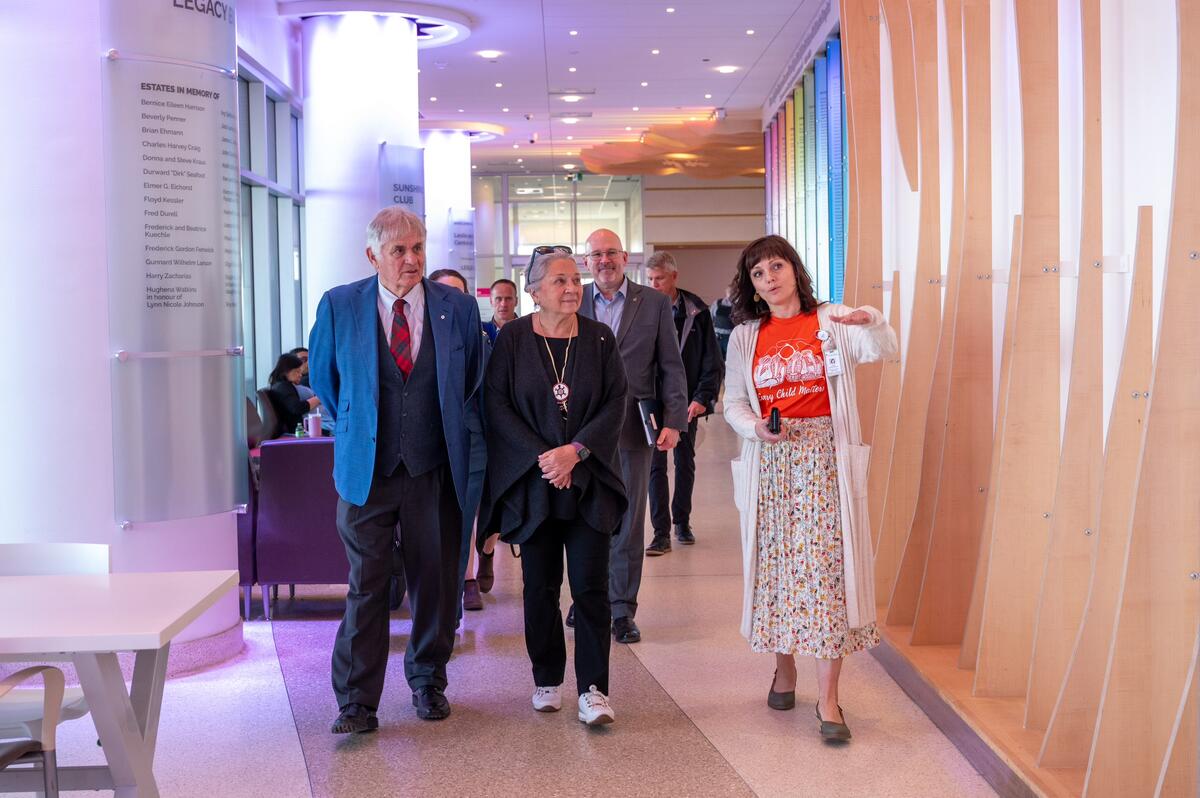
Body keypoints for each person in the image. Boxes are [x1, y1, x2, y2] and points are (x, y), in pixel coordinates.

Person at [309, 206, 484, 733]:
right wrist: (363, 429)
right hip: (368, 472)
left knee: (435, 579)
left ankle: (428, 680)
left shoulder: (457, 308)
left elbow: (471, 380)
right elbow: (327, 380)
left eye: (417, 249)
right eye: (398, 251)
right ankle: (357, 702)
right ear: (373, 256)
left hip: (435, 467)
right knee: (368, 584)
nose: (411, 260)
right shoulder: (341, 305)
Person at [722, 234, 896, 743]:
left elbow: (883, 348)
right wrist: (757, 428)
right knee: (777, 569)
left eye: (777, 267)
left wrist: (870, 318)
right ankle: (785, 669)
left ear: (795, 271)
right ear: (751, 287)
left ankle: (828, 698)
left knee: (824, 571)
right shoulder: (744, 337)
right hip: (771, 461)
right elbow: (733, 402)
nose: (770, 278)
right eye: (758, 273)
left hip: (824, 460)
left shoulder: (831, 319)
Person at [479, 249, 628, 725]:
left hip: (587, 481)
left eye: (575, 279)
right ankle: (546, 678)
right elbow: (496, 405)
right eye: (560, 281)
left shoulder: (600, 338)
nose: (571, 288)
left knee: (590, 588)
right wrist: (546, 458)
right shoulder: (513, 340)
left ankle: (593, 690)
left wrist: (575, 452)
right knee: (539, 588)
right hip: (535, 484)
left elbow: (615, 402)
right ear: (534, 291)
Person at [574, 228, 687, 644]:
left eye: (611, 253)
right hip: (579, 430)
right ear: (587, 262)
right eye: (596, 254)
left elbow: (671, 366)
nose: (604, 260)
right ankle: (587, 599)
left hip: (633, 429)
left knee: (627, 518)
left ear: (625, 258)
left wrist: (674, 421)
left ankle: (622, 609)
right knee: (583, 517)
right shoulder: (572, 299)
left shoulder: (654, 303)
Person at [643, 251, 724, 553]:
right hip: (651, 402)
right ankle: (660, 532)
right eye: (650, 279)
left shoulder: (696, 312)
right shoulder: (642, 309)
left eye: (659, 279)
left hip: (685, 400)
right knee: (654, 466)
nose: (654, 285)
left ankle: (682, 522)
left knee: (684, 462)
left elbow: (710, 360)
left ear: (674, 277)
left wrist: (702, 397)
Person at [428, 267, 489, 616]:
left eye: (460, 295)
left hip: (469, 445)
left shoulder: (480, 340)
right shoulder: (415, 335)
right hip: (423, 446)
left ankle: (447, 619)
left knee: (460, 530)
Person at [267, 352, 320, 437]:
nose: (300, 375)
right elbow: (297, 408)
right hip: (299, 430)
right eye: (297, 372)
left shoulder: (280, 386)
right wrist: (319, 398)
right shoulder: (283, 387)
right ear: (286, 372)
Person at [483, 278, 519, 343]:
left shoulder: (529, 331)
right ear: (491, 301)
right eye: (498, 299)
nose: (503, 304)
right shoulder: (481, 332)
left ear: (516, 301)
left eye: (508, 298)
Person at [710, 288, 735, 358]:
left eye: (733, 292)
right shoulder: (717, 303)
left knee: (730, 359)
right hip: (717, 336)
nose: (731, 294)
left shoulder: (737, 306)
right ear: (726, 293)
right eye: (730, 292)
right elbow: (710, 317)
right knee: (716, 359)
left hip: (730, 337)